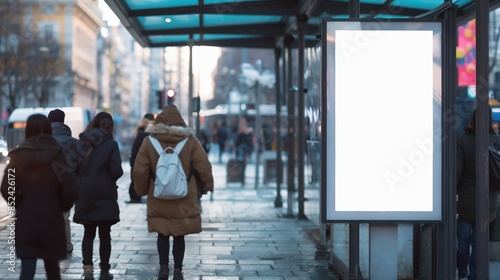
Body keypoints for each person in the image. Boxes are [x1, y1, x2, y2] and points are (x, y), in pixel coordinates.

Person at [132, 105, 214, 280]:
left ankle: (163, 268)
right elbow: (204, 166)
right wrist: (207, 186)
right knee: (179, 233)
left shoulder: (149, 141)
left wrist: (141, 190)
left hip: (158, 193)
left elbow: (139, 170)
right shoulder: (190, 141)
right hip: (184, 195)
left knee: (162, 232)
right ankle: (178, 271)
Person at [1, 114, 78, 280]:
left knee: (27, 267)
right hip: (52, 218)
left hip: (26, 219)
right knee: (52, 268)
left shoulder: (18, 157)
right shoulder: (58, 155)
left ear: (27, 130)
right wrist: (61, 206)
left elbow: (7, 188)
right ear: (49, 130)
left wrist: (20, 203)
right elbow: (70, 188)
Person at [73, 111, 123, 280]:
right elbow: (116, 170)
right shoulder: (112, 145)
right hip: (104, 192)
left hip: (86, 192)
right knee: (104, 233)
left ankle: (87, 268)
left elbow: (74, 167)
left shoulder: (83, 142)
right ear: (110, 127)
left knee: (88, 232)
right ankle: (104, 269)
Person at [456, 105, 500, 280]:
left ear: (472, 118)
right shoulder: (495, 142)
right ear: (489, 120)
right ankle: (475, 275)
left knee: (463, 240)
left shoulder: (462, 141)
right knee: (479, 242)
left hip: (466, 201)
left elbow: (456, 173)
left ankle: (462, 272)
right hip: (488, 201)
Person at [48, 108, 78, 254]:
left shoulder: (43, 141)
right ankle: (66, 245)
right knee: (64, 217)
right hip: (66, 184)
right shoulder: (73, 143)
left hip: (45, 184)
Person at [128, 113, 155, 203]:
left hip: (140, 159)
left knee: (136, 178)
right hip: (149, 160)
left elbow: (135, 148)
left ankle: (135, 196)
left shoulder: (141, 133)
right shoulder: (147, 131)